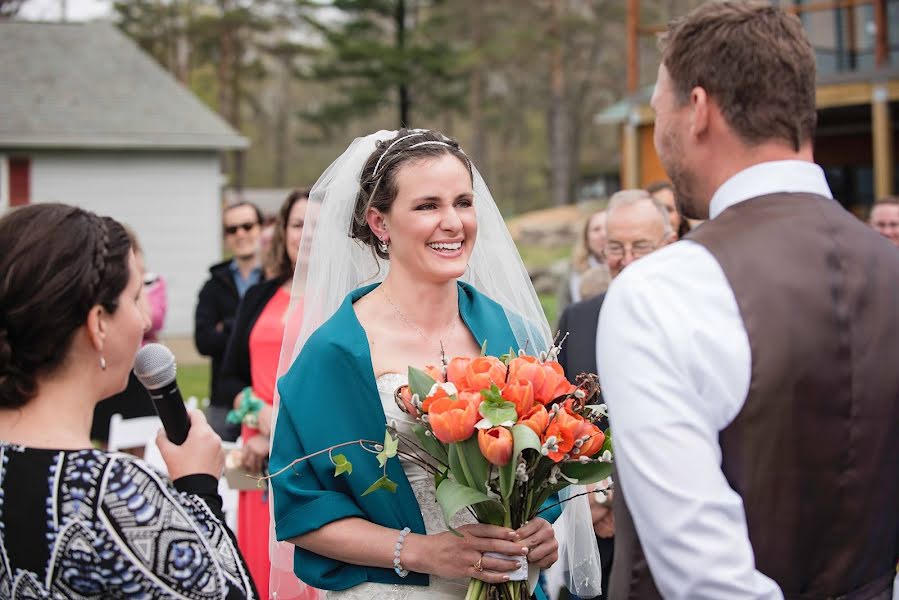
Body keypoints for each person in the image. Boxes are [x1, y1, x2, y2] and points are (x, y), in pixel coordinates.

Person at [597, 3, 899, 599]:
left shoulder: (661, 291)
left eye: (660, 111)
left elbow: (705, 579)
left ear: (699, 111)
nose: (660, 135)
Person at [269, 130, 602, 600]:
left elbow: (543, 471)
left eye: (463, 203)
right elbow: (302, 510)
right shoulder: (337, 352)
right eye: (427, 206)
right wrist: (422, 552)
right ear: (379, 223)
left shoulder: (515, 333)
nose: (453, 222)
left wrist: (538, 529)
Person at [0, 203, 257, 598]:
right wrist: (199, 488)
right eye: (137, 297)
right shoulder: (112, 495)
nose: (143, 319)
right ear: (98, 322)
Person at [553, 189, 673, 600]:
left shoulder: (698, 319)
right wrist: (590, 496)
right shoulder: (579, 319)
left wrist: (621, 496)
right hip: (595, 538)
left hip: (672, 534)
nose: (627, 258)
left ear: (669, 246)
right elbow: (557, 419)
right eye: (615, 248)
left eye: (641, 246)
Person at [219, 189, 313, 600]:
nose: (307, 234)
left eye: (318, 225)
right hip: (257, 455)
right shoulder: (259, 295)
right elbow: (227, 378)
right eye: (299, 224)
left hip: (313, 454)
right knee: (259, 561)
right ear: (283, 232)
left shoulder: (353, 300)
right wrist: (258, 418)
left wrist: (281, 427)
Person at [195, 201, 265, 441]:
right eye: (232, 229)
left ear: (261, 229)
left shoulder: (276, 280)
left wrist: (227, 325)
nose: (241, 234)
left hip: (268, 398)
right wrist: (248, 329)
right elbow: (203, 341)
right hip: (224, 401)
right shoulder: (213, 286)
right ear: (226, 237)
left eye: (247, 226)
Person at [91, 225, 165, 447]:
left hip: (139, 370)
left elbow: (153, 319)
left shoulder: (153, 282)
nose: (143, 322)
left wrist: (137, 283)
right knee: (108, 434)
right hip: (113, 365)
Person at [557, 210, 608, 314]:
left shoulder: (628, 267)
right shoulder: (573, 271)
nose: (603, 234)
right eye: (596, 229)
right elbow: (563, 312)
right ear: (586, 237)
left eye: (607, 227)